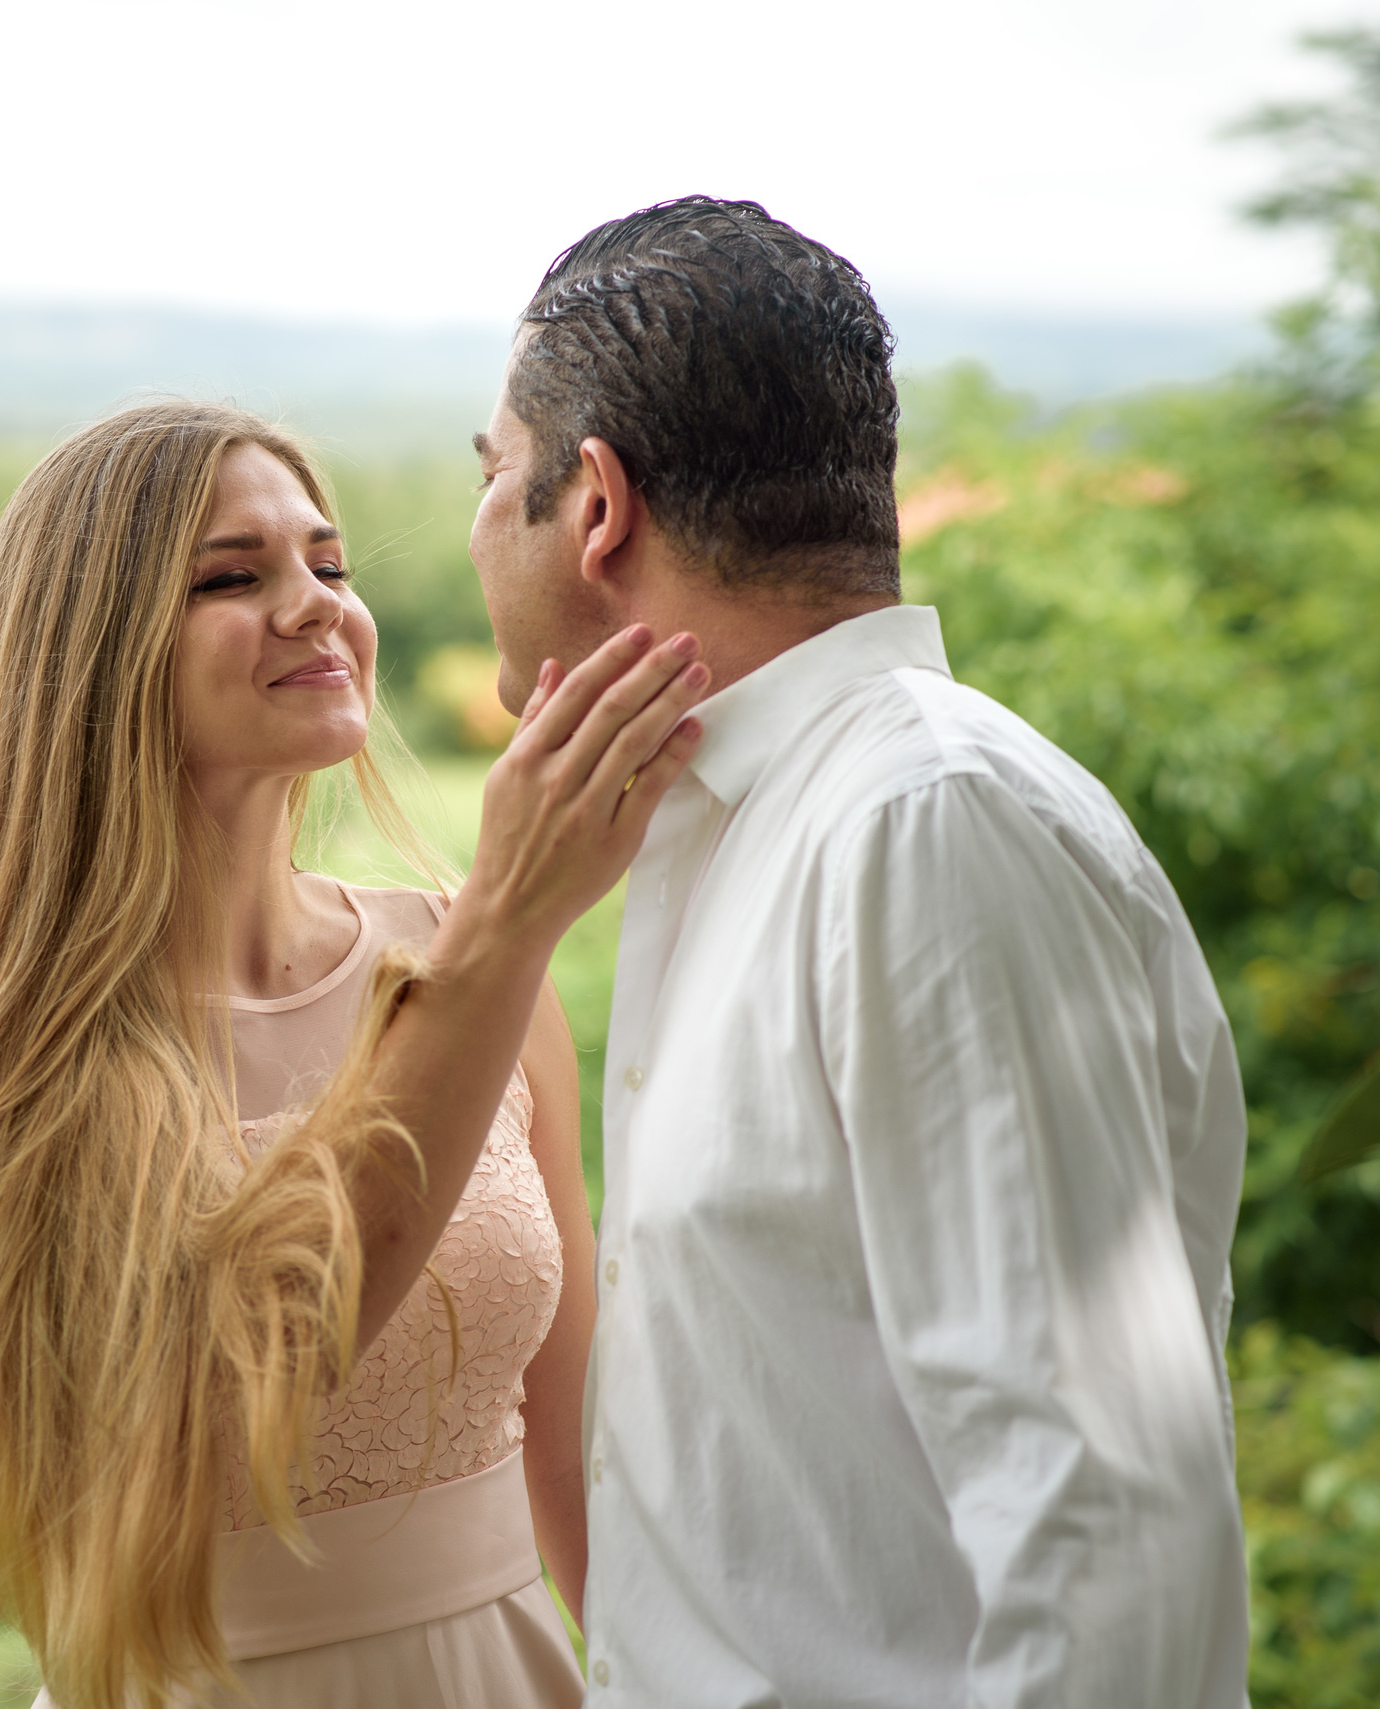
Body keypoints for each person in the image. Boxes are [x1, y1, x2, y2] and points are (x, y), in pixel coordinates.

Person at [468, 196, 1251, 1706]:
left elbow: (1104, 1518)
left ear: (597, 505)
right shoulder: (721, 826)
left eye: (494, 473)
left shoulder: (928, 828)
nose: (480, 518)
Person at [0, 400, 709, 1709]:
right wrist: (509, 929)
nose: (316, 606)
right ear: (90, 649)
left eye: (330, 565)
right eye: (233, 576)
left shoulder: (465, 965)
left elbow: (575, 1448)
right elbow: (253, 1373)